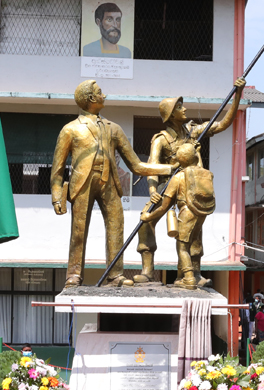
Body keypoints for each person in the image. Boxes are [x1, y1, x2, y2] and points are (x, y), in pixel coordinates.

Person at [51, 80, 173, 288]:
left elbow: (136, 165)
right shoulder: (70, 130)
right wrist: (56, 196)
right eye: (100, 93)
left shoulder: (113, 129)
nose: (104, 95)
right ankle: (73, 274)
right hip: (82, 183)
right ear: (91, 99)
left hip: (110, 183)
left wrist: (168, 168)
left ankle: (115, 275)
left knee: (116, 227)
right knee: (79, 231)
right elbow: (58, 168)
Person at [134, 78, 246, 285]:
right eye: (179, 107)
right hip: (167, 186)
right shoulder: (160, 139)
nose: (184, 109)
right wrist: (152, 191)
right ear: (170, 114)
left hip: (190, 186)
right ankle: (148, 270)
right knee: (146, 221)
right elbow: (151, 167)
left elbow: (223, 124)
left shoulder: (193, 132)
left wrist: (237, 95)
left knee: (195, 228)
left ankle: (192, 273)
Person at [139, 143, 215, 289]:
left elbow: (164, 206)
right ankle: (182, 277)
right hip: (201, 213)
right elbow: (197, 165)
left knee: (182, 247)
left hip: (187, 213)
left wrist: (149, 217)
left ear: (180, 160)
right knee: (192, 242)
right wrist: (197, 153)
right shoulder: (206, 174)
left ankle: (189, 278)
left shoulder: (179, 177)